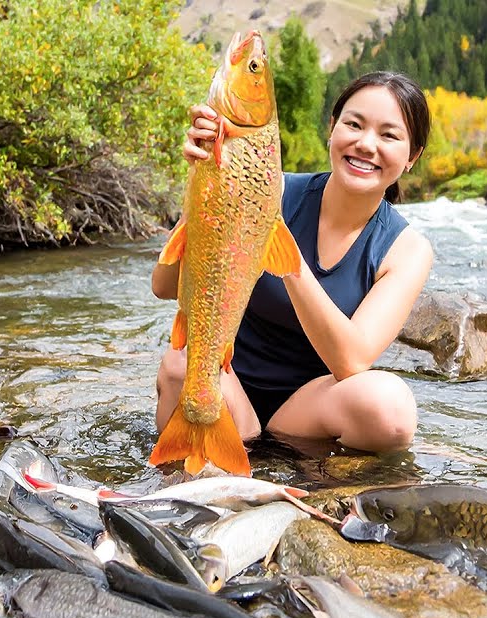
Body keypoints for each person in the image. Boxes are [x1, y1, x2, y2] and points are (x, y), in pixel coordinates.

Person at [151, 71, 433, 454]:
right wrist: (205, 182)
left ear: (412, 156)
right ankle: (187, 459)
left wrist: (284, 250)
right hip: (227, 387)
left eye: (389, 135)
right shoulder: (270, 187)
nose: (366, 144)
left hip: (306, 415)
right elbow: (164, 286)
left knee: (391, 409)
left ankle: (290, 464)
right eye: (354, 124)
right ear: (332, 130)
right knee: (179, 364)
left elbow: (351, 362)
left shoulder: (407, 249)